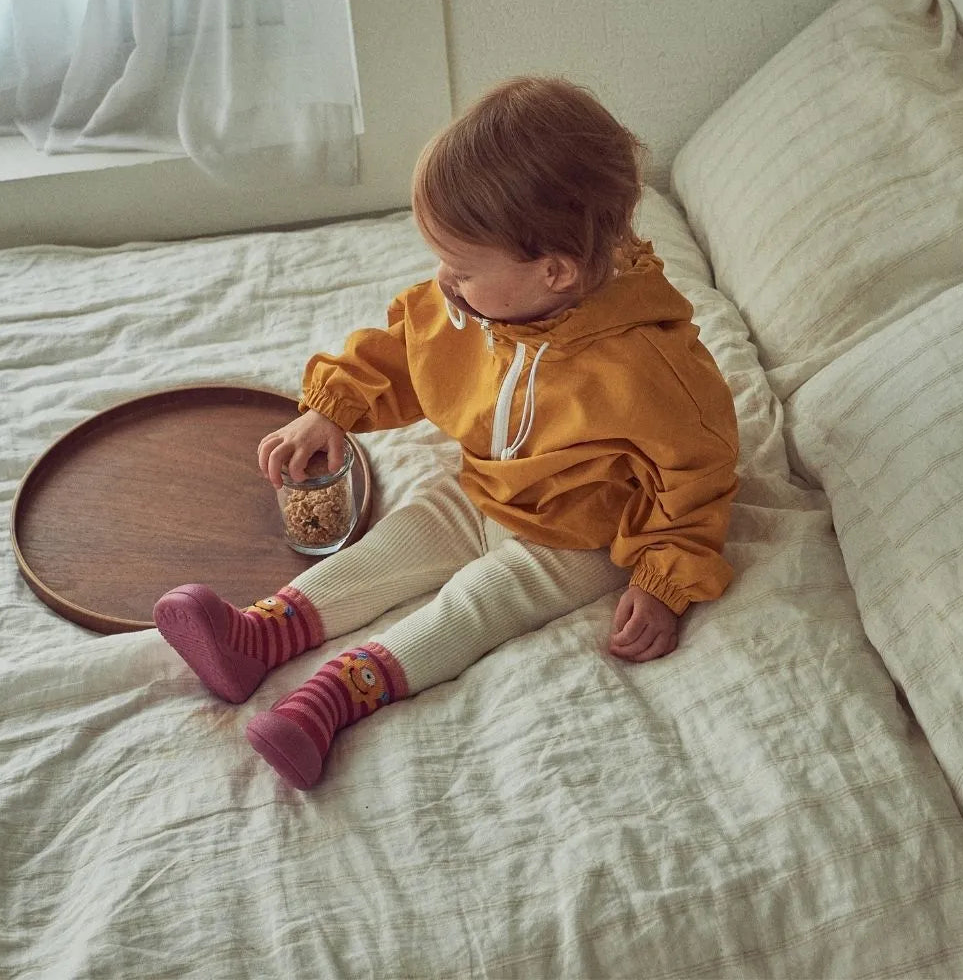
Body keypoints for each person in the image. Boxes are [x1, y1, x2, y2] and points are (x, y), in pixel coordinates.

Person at [153, 76, 740, 790]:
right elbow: (406, 347)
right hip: (484, 488)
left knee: (475, 606)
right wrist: (332, 406)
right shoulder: (475, 304)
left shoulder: (650, 368)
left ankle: (329, 701)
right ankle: (257, 636)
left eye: (460, 269)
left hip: (577, 533)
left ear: (554, 270)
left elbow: (696, 474)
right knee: (388, 551)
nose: (443, 282)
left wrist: (662, 579)